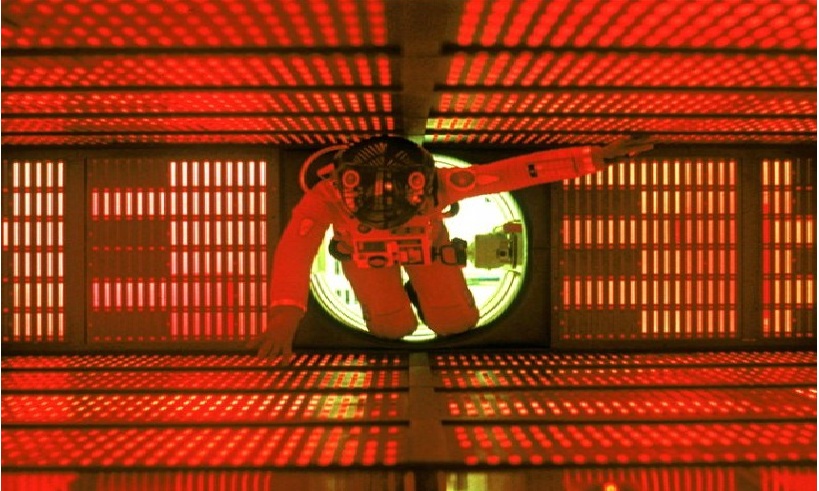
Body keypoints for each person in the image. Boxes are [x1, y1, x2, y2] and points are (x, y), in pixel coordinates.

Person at [248, 135, 652, 361]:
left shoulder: (440, 184)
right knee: (393, 329)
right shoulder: (325, 197)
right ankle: (403, 302)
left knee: (457, 323)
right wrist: (285, 316)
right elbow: (295, 250)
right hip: (365, 258)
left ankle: (424, 292)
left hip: (427, 249)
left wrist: (593, 157)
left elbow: (509, 174)